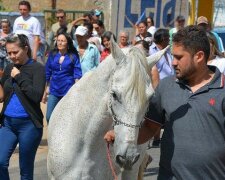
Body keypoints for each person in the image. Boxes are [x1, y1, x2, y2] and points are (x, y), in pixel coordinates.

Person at [104, 25, 225, 179]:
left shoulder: (222, 89)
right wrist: (121, 135)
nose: (173, 63)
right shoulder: (166, 86)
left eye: (179, 57)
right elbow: (149, 128)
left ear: (199, 56)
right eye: (172, 56)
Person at [0, 34, 46, 180]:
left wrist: (19, 77)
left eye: (15, 52)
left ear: (26, 49)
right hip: (8, 124)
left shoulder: (37, 68)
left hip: (29, 126)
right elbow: (2, 94)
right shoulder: (8, 68)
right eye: (9, 53)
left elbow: (36, 96)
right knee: (0, 162)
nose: (12, 56)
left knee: (25, 170)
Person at [43, 31, 82, 123]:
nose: (60, 43)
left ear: (67, 43)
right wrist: (45, 89)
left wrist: (76, 89)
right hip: (54, 90)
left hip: (68, 91)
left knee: (67, 117)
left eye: (62, 41)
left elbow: (77, 73)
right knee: (49, 116)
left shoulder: (73, 56)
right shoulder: (52, 55)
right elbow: (47, 72)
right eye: (58, 40)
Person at [149, 28, 173, 147]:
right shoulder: (151, 51)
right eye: (168, 37)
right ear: (163, 38)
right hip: (157, 86)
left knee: (166, 113)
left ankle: (159, 138)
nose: (170, 39)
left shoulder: (167, 50)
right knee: (157, 113)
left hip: (170, 86)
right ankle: (155, 138)